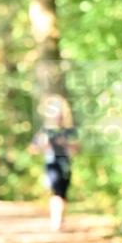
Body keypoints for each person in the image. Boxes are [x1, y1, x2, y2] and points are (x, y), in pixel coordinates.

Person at [30, 93, 78, 232]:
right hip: (52, 164)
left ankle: (59, 219)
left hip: (66, 165)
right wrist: (43, 145)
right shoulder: (45, 131)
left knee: (62, 194)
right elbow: (33, 148)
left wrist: (66, 144)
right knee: (56, 192)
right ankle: (56, 221)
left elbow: (76, 148)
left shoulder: (69, 131)